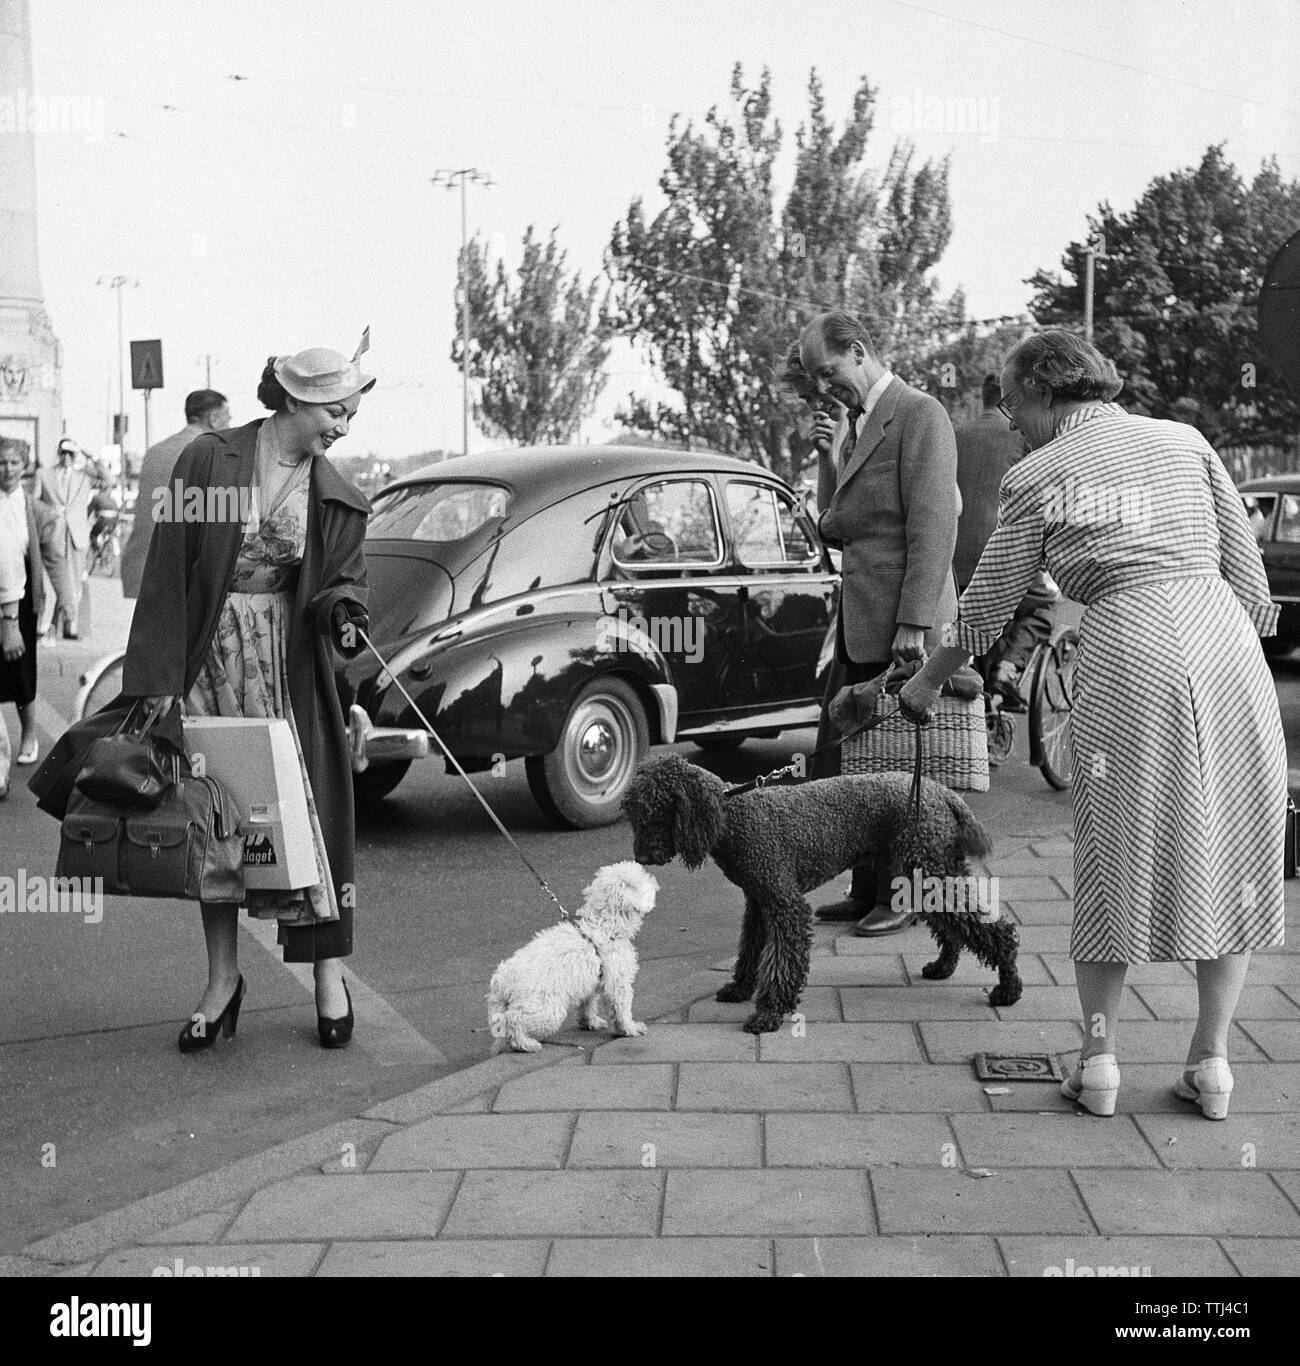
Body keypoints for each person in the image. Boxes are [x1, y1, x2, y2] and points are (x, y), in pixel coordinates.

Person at [898, 328, 1286, 1120]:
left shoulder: (1041, 470)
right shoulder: (1185, 441)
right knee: (1233, 845)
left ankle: (1100, 1063)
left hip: (1128, 649)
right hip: (1227, 650)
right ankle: (1211, 1065)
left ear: (1044, 391)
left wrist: (928, 680)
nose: (1010, 422)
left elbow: (988, 602)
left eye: (1011, 405)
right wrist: (1226, 653)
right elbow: (1249, 579)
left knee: (1115, 855)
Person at [123, 346, 374, 1051]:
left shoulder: (338, 494)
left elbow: (341, 585)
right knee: (216, 822)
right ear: (293, 398)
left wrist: (345, 613)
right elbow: (169, 572)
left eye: (353, 412)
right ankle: (222, 982)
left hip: (288, 669)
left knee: (311, 822)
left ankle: (329, 975)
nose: (344, 428)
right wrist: (155, 685)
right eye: (335, 411)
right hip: (208, 659)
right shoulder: (208, 461)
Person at [798, 310, 960, 938]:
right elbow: (833, 526)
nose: (824, 387)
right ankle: (869, 885)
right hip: (863, 617)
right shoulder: (860, 424)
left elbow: (934, 524)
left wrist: (916, 622)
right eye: (816, 378)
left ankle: (908, 891)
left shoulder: (919, 414)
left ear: (859, 351)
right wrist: (829, 456)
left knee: (905, 773)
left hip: (901, 621)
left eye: (830, 372)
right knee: (858, 757)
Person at [953, 375, 1055, 707]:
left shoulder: (954, 436)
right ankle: (1008, 669)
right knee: (1044, 605)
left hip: (952, 567)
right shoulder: (1026, 439)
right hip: (1000, 558)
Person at [0, 439, 68, 795]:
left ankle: (28, 734)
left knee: (22, 675)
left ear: (23, 465)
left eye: (13, 462)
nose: (7, 469)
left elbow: (54, 557)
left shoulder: (35, 509)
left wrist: (66, 599)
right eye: (1, 462)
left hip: (24, 602)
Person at [120, 389, 231, 599]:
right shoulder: (214, 453)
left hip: (140, 569)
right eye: (228, 419)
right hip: (182, 578)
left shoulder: (154, 452)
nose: (229, 427)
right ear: (214, 419)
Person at [34, 438, 95, 638]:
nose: (66, 457)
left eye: (71, 453)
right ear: (58, 453)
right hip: (52, 534)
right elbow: (34, 503)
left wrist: (89, 456)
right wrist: (51, 512)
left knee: (75, 582)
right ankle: (44, 626)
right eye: (63, 453)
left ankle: (71, 626)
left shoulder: (83, 477)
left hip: (76, 536)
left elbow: (109, 480)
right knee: (50, 581)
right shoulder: (43, 474)